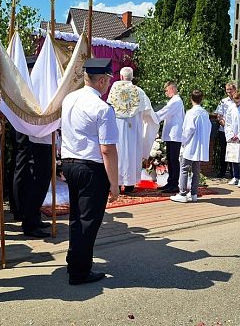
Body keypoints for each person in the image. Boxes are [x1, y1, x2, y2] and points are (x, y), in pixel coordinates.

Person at [61, 58, 119, 285]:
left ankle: (74, 259)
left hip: (70, 163)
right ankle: (80, 270)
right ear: (102, 80)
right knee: (88, 221)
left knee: (77, 218)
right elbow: (107, 149)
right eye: (107, 81)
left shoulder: (69, 98)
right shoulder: (102, 108)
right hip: (90, 167)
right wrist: (114, 183)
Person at [12, 56, 53, 238]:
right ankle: (28, 221)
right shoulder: (25, 91)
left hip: (43, 139)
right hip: (32, 141)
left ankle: (34, 216)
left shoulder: (38, 88)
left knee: (42, 180)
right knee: (33, 181)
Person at [107, 66, 158, 194]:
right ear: (131, 77)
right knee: (131, 154)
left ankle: (117, 184)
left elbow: (108, 109)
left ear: (121, 77)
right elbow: (148, 112)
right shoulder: (139, 91)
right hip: (133, 130)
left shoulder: (114, 90)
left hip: (117, 129)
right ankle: (130, 185)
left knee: (118, 154)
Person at [170, 90, 212, 203]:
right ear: (202, 99)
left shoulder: (191, 113)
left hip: (190, 144)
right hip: (200, 145)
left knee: (184, 168)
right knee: (196, 170)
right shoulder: (204, 113)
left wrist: (183, 141)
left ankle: (182, 193)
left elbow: (188, 129)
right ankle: (193, 193)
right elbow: (209, 128)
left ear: (191, 99)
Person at [156, 81, 185, 193]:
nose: (166, 92)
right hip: (171, 135)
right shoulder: (173, 101)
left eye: (167, 90)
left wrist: (152, 115)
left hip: (175, 135)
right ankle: (170, 182)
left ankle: (174, 184)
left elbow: (164, 112)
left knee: (174, 159)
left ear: (172, 88)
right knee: (170, 159)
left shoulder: (176, 101)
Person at [213, 82, 236, 178]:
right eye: (227, 90)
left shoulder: (238, 100)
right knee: (223, 151)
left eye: (230, 89)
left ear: (234, 89)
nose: (228, 92)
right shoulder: (223, 101)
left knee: (233, 151)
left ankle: (233, 173)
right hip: (223, 130)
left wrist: (231, 129)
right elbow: (219, 115)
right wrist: (226, 126)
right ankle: (222, 171)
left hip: (235, 132)